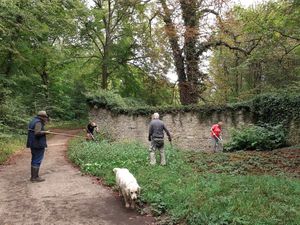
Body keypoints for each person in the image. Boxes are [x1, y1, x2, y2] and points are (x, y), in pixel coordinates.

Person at [26, 111, 50, 182]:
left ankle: (34, 177)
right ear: (42, 117)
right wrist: (46, 132)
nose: (46, 119)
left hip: (33, 144)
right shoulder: (38, 122)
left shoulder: (33, 121)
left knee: (34, 160)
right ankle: (34, 178)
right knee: (37, 160)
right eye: (45, 117)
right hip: (37, 144)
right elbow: (37, 132)